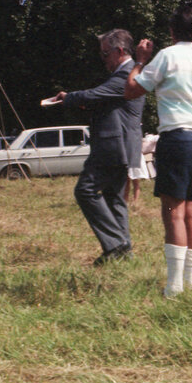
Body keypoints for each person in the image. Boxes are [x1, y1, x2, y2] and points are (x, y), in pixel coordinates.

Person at [125, 5, 192, 298]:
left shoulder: (166, 56)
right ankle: (190, 283)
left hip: (176, 138)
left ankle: (173, 286)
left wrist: (140, 61)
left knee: (173, 212)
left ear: (171, 31)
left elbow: (131, 89)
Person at [52, 29, 145, 266]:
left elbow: (96, 94)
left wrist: (68, 97)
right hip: (123, 146)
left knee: (85, 190)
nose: (103, 60)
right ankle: (124, 255)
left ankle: (116, 245)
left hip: (113, 146)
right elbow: (107, 103)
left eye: (105, 55)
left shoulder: (127, 74)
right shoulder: (130, 73)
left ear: (119, 51)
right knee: (114, 198)